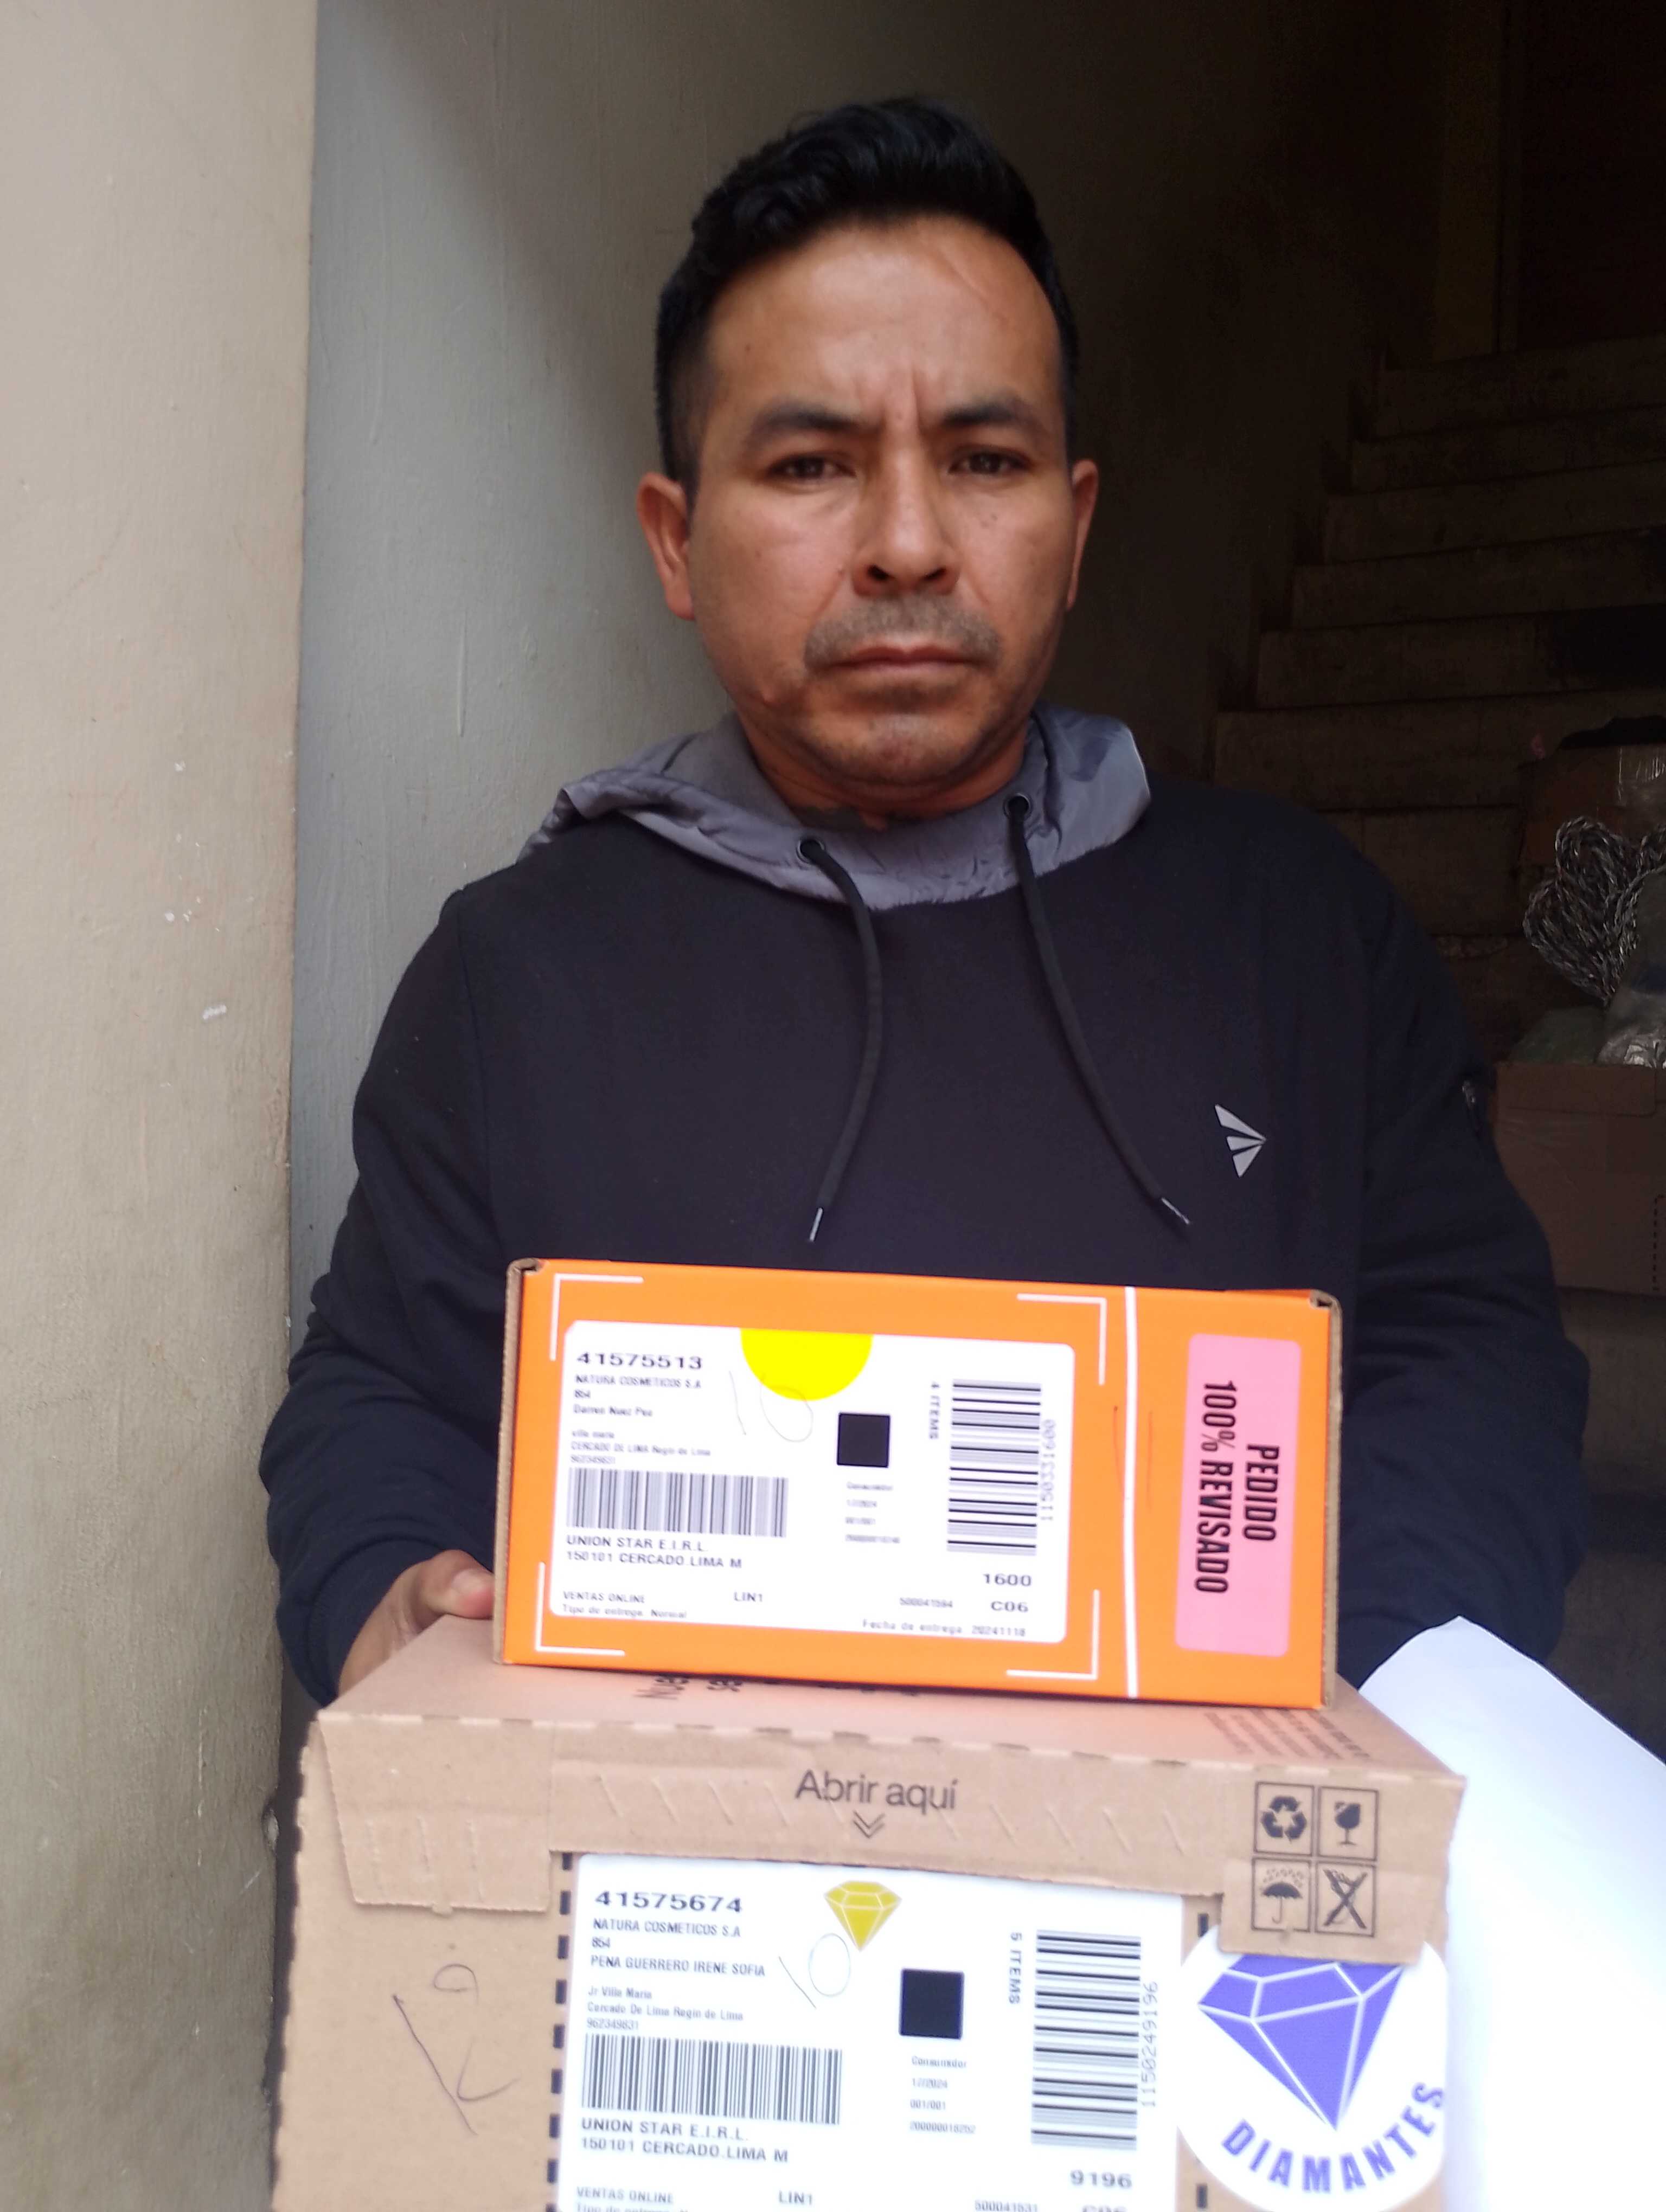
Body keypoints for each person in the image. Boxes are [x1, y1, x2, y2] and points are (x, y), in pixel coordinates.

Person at [266, 98, 1666, 2212]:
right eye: (812, 464)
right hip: (683, 2019)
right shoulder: (516, 972)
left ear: (1076, 522)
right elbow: (376, 1387)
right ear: (675, 533)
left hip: (1200, 2012)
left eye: (986, 460)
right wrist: (392, 1595)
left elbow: (1469, 1354)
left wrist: (1316, 1687)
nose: (909, 543)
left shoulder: (1297, 931)